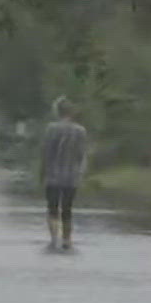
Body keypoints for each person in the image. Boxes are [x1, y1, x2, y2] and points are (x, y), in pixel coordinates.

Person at [39, 97, 89, 251]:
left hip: (53, 175)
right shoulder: (81, 131)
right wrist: (81, 173)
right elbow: (82, 155)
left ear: (57, 111)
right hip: (72, 177)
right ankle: (67, 239)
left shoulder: (51, 129)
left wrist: (42, 173)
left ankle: (54, 239)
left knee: (52, 208)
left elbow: (46, 153)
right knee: (67, 209)